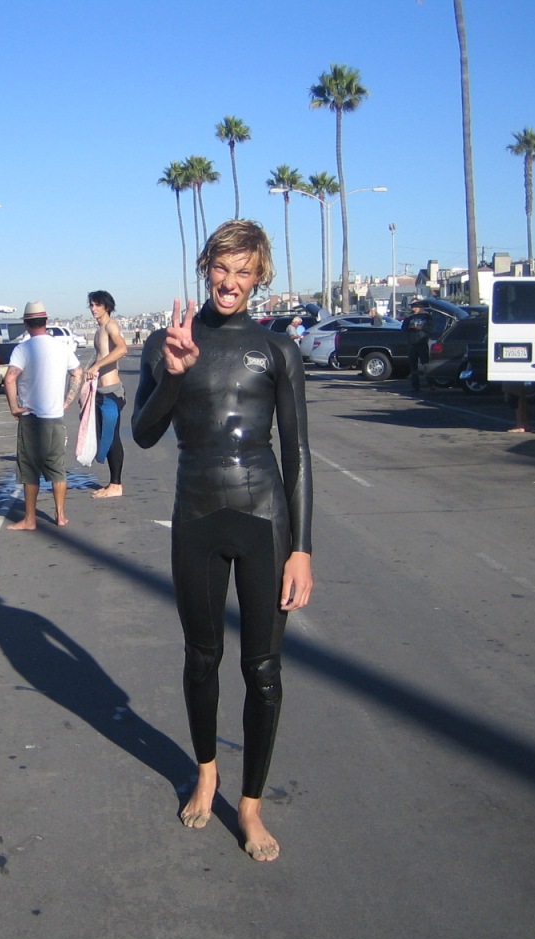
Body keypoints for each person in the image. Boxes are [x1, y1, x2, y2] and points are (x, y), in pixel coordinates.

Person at [132, 219, 313, 862]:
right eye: (221, 268)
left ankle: (252, 805)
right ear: (205, 267)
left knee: (263, 671)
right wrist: (175, 373)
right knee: (202, 656)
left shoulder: (277, 349)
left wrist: (302, 549)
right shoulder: (167, 343)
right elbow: (143, 434)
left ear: (259, 278)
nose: (230, 282)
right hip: (197, 516)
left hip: (264, 521)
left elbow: (297, 455)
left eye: (244, 272)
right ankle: (206, 773)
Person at [4, 300, 84, 530]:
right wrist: (66, 402)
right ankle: (60, 515)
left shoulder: (22, 349)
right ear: (46, 321)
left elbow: (10, 378)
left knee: (30, 470)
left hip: (32, 418)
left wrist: (14, 407)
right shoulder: (61, 347)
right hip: (55, 417)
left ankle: (30, 519)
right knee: (57, 468)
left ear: (26, 324)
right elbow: (77, 373)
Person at [84, 290, 129, 498]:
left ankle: (116, 485)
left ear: (107, 307)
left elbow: (122, 349)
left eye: (97, 305)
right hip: (100, 391)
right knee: (105, 436)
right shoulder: (98, 330)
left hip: (112, 392)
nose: (93, 309)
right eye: (92, 305)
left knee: (111, 437)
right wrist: (89, 372)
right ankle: (113, 483)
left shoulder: (111, 326)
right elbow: (102, 356)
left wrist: (98, 366)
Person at [407, 301, 430, 391]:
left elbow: (431, 328)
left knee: (425, 364)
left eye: (415, 306)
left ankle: (430, 384)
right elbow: (403, 328)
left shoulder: (427, 317)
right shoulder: (410, 317)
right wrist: (409, 326)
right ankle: (415, 386)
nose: (413, 309)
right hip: (412, 344)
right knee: (413, 366)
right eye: (412, 307)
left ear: (420, 307)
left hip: (422, 343)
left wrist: (421, 327)